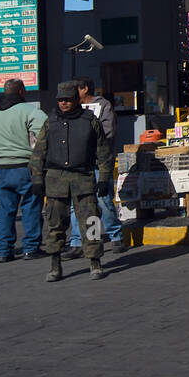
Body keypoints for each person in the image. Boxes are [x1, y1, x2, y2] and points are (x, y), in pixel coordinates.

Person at [30, 81, 115, 282]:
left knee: (91, 222)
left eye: (68, 100)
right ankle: (55, 264)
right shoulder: (50, 122)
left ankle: (95, 262)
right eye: (61, 100)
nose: (64, 103)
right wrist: (37, 180)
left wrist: (103, 178)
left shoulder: (89, 121)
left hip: (83, 178)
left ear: (76, 100)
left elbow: (103, 152)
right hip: (56, 180)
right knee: (55, 224)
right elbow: (37, 154)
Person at [0, 78, 48, 262]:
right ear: (21, 92)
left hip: (3, 170)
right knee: (31, 207)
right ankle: (31, 248)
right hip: (26, 168)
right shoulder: (30, 111)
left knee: (5, 211)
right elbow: (46, 132)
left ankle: (3, 251)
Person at [66, 75, 127, 256]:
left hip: (99, 161)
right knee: (76, 203)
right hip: (78, 163)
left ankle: (116, 237)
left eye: (75, 89)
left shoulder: (103, 106)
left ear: (84, 89)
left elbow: (107, 132)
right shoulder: (73, 108)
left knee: (103, 200)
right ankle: (78, 242)